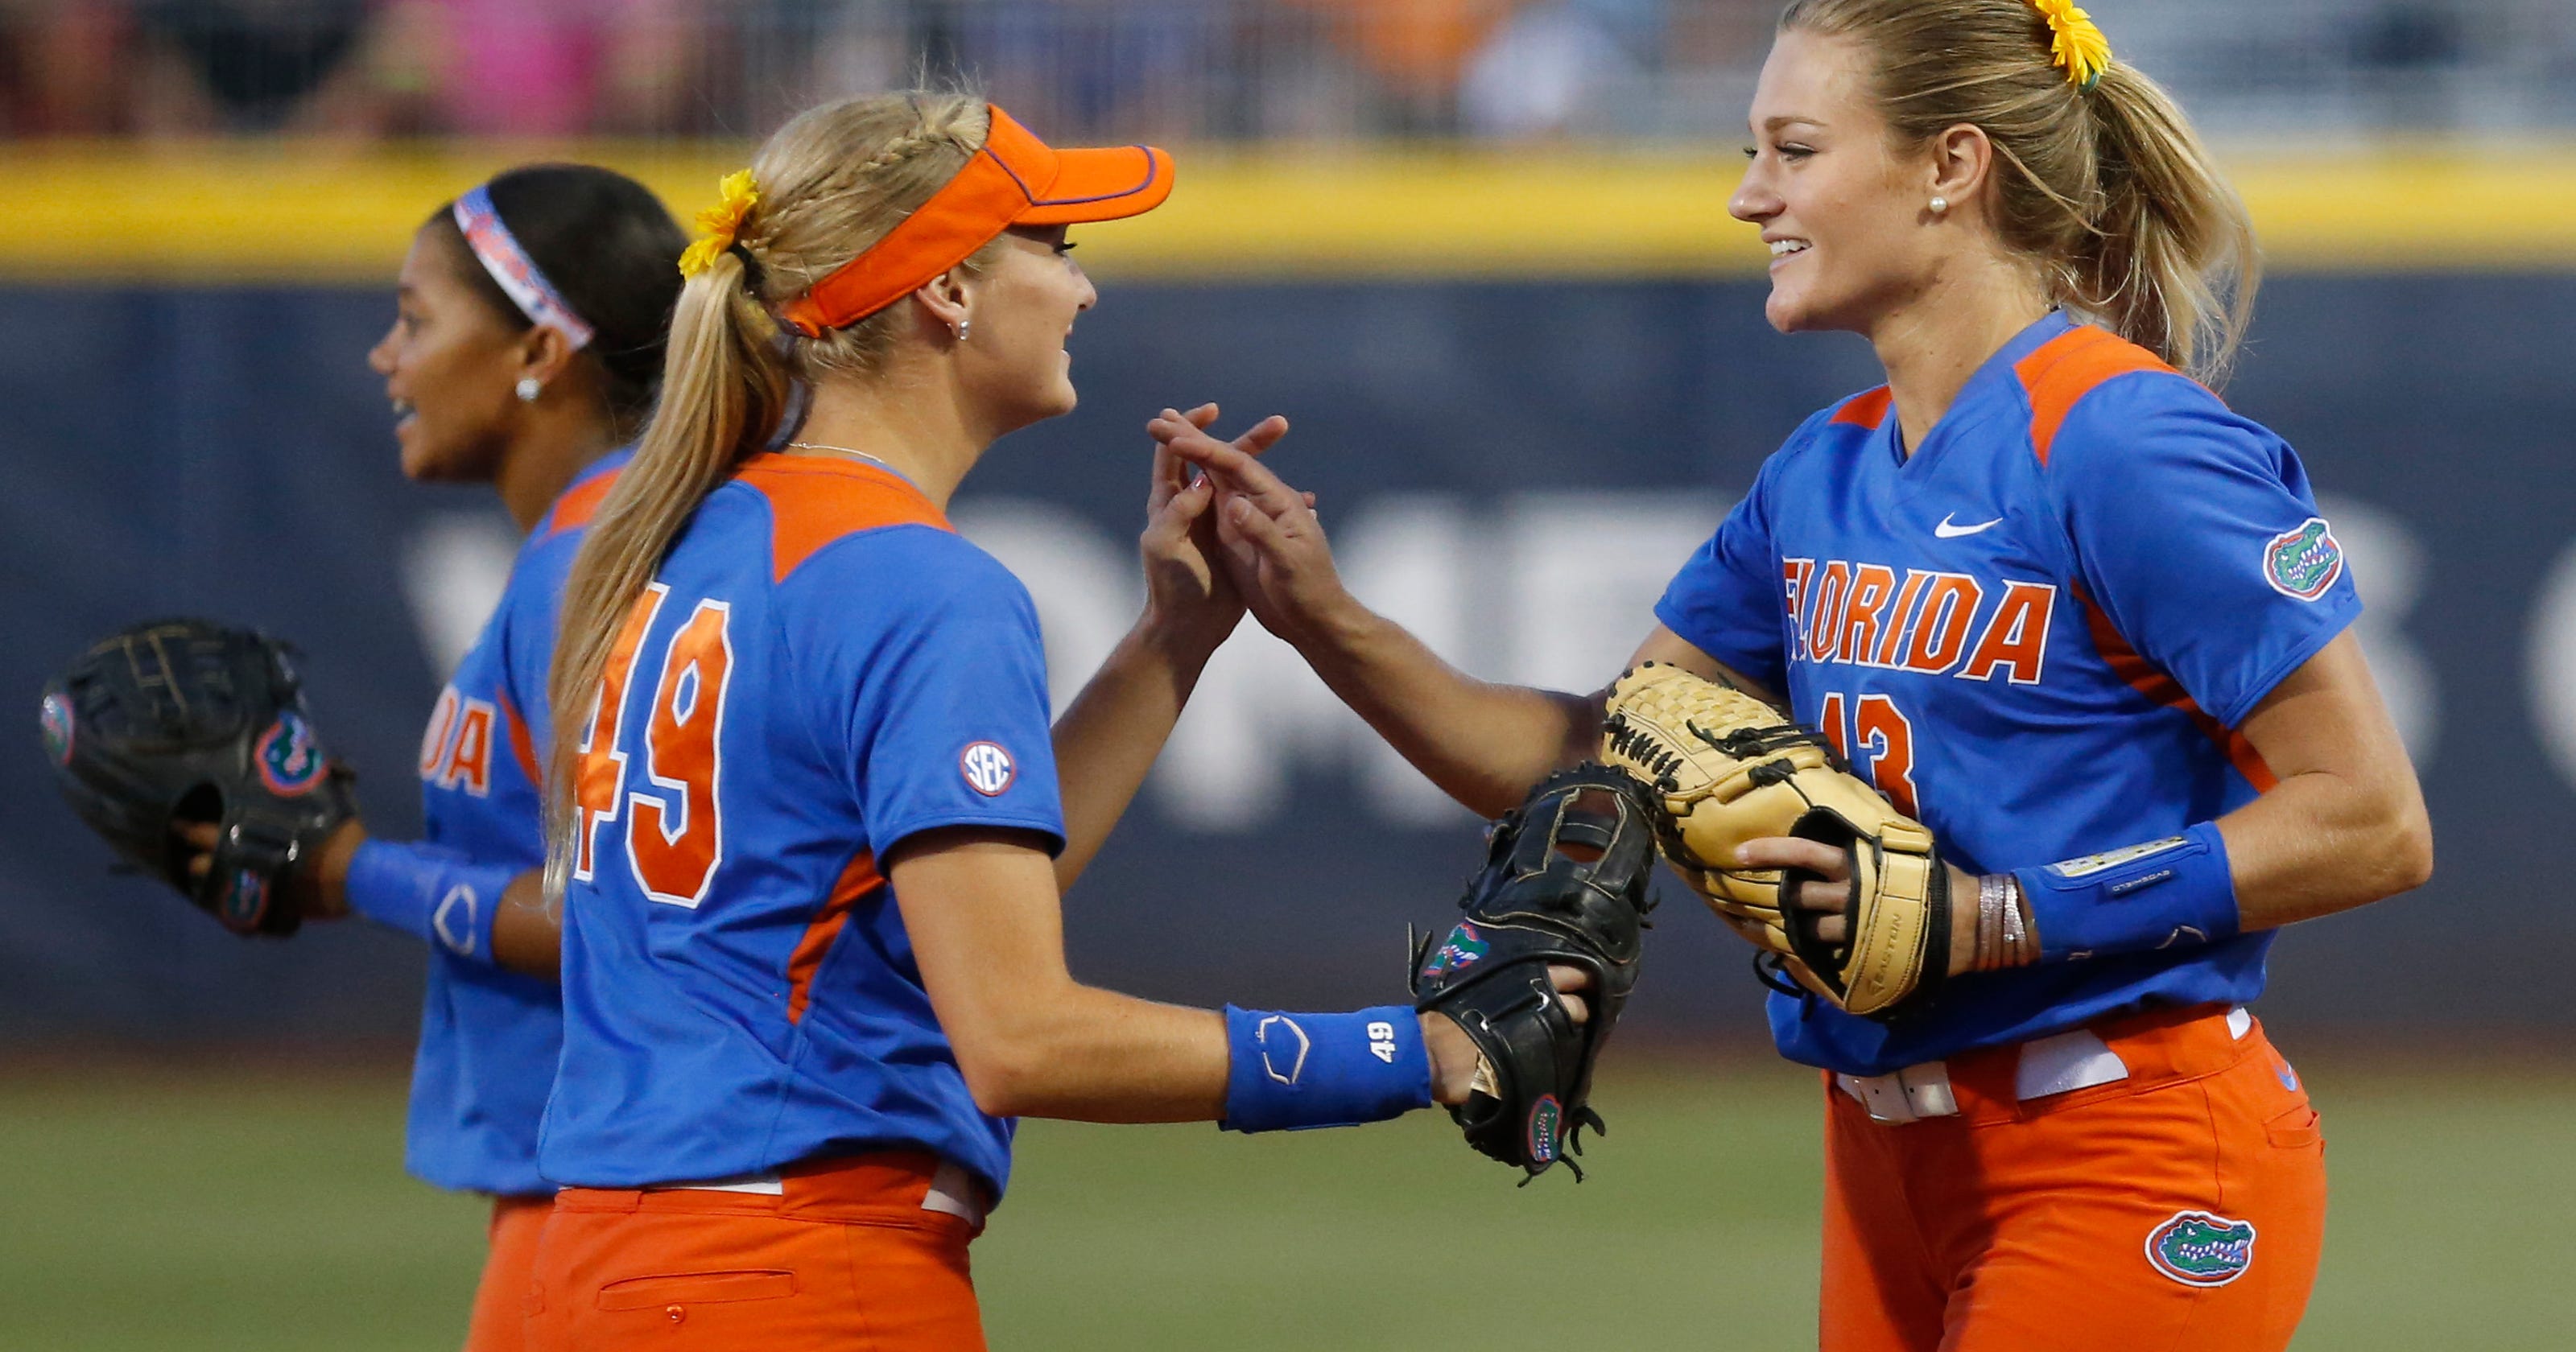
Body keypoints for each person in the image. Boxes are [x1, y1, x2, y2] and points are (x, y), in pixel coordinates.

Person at [1150, 2, 2434, 1349]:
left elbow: (2370, 819)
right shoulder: (1828, 466)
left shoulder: (2129, 443)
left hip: (2128, 1143)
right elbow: (1612, 750)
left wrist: (1992, 920)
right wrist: (1324, 621)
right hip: (1886, 1157)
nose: (1748, 192)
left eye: (1795, 148)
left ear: (1951, 167)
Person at [528, 92, 1531, 1350]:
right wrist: (1410, 1050)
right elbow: (1015, 1036)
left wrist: (1171, 640)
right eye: (1054, 248)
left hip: (606, 1264)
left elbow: (928, 918)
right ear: (948, 291)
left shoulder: (696, 536)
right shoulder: (915, 577)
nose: (1081, 290)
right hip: (792, 1273)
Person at [181, 163, 687, 1351]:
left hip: (617, 1199)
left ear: (539, 350)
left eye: (416, 318)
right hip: (602, 1190)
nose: (384, 356)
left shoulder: (595, 568)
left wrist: (352, 869)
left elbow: (628, 914)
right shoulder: (591, 548)